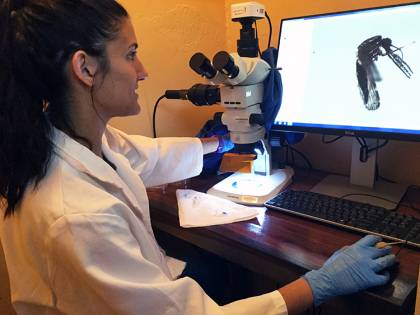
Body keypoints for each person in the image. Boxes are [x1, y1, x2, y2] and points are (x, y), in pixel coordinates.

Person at [0, 1, 396, 315]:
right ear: (84, 67)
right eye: (131, 54)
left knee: (221, 269)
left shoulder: (58, 136)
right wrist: (318, 284)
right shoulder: (76, 216)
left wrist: (220, 143)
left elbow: (142, 156)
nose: (142, 71)